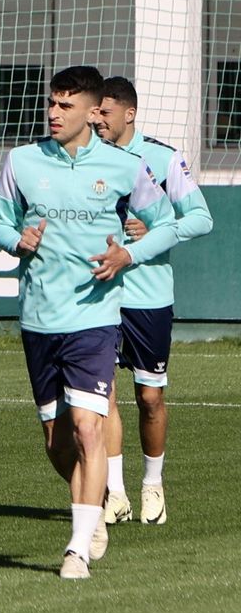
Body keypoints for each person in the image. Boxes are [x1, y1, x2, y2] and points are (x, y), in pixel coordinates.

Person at [0, 65, 177, 579]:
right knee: (58, 439)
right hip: (38, 318)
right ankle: (90, 507)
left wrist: (129, 256)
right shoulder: (22, 161)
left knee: (89, 428)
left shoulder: (122, 167)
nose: (53, 113)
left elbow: (168, 224)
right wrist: (15, 241)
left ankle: (77, 545)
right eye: (51, 103)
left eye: (66, 105)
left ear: (93, 113)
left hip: (95, 318)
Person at [92, 76, 211, 526]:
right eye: (95, 112)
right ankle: (115, 493)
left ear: (129, 113)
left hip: (149, 296)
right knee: (102, 396)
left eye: (104, 112)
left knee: (149, 397)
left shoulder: (162, 159)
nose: (97, 120)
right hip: (101, 294)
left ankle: (153, 484)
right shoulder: (87, 159)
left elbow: (200, 218)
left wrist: (156, 235)